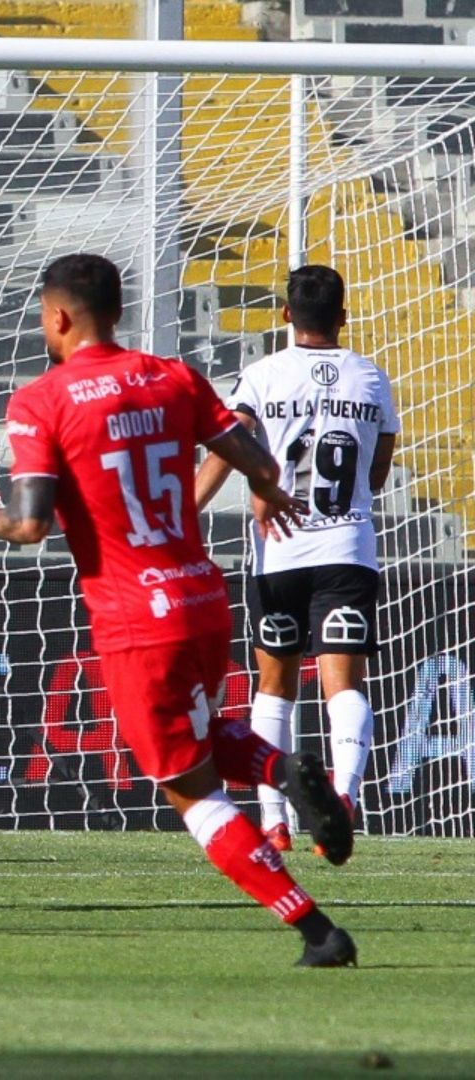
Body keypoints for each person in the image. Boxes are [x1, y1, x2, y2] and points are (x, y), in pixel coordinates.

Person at [0, 253, 358, 966]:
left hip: (136, 618)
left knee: (188, 786)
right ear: (116, 310)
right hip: (204, 597)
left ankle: (316, 931)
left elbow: (29, 525)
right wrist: (265, 489)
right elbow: (256, 457)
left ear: (57, 316)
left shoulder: (42, 401)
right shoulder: (172, 376)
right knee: (207, 734)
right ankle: (282, 771)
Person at [196, 265, 399, 856]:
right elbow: (378, 474)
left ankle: (274, 821)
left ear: (286, 315)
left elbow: (228, 449)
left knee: (274, 687)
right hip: (346, 550)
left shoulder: (261, 375)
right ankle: (344, 797)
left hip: (277, 551)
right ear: (344, 314)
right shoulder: (372, 379)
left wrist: (183, 513)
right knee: (344, 684)